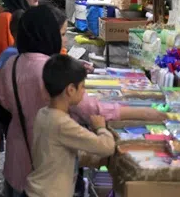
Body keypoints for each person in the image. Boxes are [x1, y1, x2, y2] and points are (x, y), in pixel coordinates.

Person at [0, 5, 165, 197]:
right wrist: (146, 113)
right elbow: (93, 110)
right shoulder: (49, 72)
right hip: (50, 174)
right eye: (61, 34)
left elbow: (5, 101)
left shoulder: (12, 64)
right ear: (47, 35)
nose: (65, 39)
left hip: (17, 160)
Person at [25, 55, 116, 197]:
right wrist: (101, 128)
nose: (84, 91)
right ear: (71, 90)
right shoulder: (62, 124)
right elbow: (107, 146)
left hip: (36, 190)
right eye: (82, 87)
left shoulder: (43, 114)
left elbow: (59, 153)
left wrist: (92, 159)